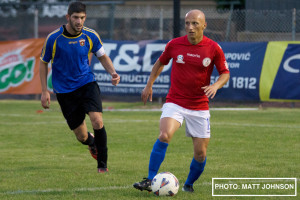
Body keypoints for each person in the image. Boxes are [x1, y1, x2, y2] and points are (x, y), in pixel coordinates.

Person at [133, 9, 230, 192]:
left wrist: (215, 85)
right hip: (175, 101)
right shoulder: (174, 44)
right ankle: (150, 179)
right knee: (164, 135)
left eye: (195, 23)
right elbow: (160, 62)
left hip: (199, 106)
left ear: (204, 25)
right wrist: (149, 84)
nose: (190, 27)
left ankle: (188, 185)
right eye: (187, 23)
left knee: (200, 154)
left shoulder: (214, 48)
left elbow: (225, 73)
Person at [39, 1, 120, 173]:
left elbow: (103, 56)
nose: (79, 21)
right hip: (64, 91)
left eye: (82, 18)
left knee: (97, 120)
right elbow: (43, 63)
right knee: (81, 136)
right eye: (75, 17)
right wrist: (44, 91)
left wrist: (113, 72)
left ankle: (102, 166)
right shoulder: (54, 38)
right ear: (68, 17)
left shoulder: (91, 35)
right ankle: (91, 143)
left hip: (86, 84)